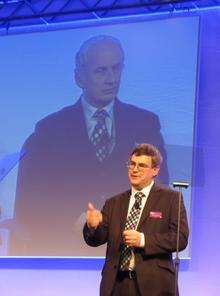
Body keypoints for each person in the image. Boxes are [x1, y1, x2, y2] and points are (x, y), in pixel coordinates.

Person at [9, 35, 169, 256]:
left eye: (116, 68)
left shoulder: (145, 125)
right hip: (65, 249)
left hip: (128, 251)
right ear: (79, 77)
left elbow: (161, 192)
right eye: (101, 71)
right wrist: (73, 220)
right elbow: (32, 203)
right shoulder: (48, 132)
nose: (111, 79)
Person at [84, 143, 188, 296]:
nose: (135, 169)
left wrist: (143, 240)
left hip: (154, 286)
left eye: (142, 165)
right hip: (116, 285)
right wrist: (92, 227)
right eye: (132, 164)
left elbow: (180, 238)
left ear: (155, 170)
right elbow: (96, 240)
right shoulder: (114, 202)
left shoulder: (171, 199)